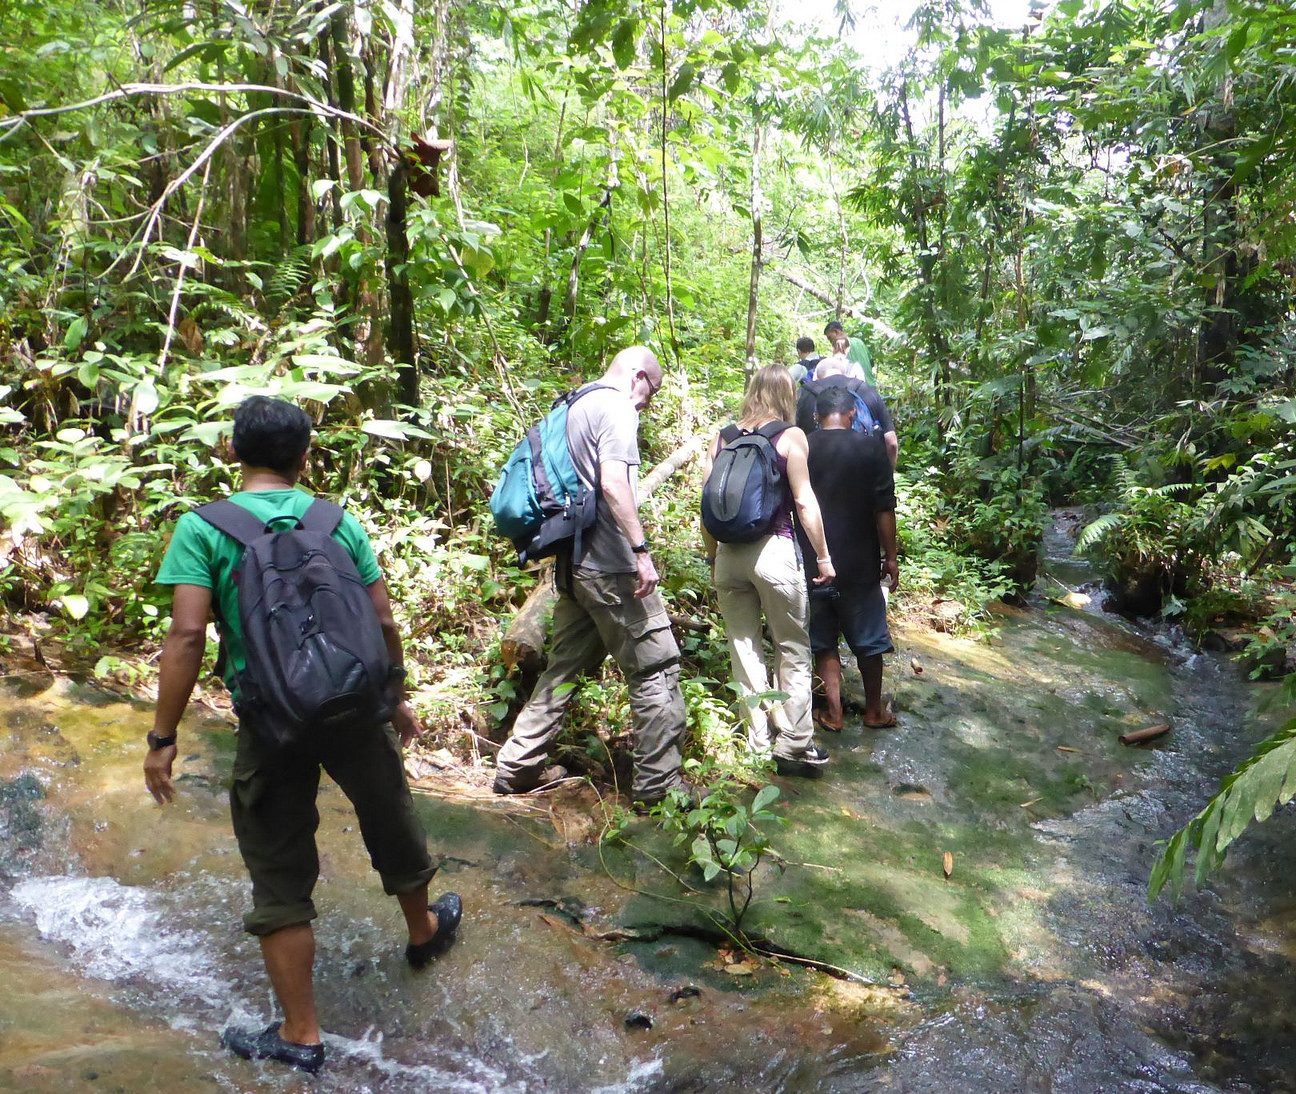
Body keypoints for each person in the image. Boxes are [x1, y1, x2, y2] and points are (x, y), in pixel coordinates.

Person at [146, 395, 460, 1076]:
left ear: (234, 452)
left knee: (279, 861)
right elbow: (379, 617)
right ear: (305, 457)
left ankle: (301, 1031)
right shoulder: (335, 520)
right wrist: (394, 698)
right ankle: (422, 930)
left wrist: (162, 736)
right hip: (352, 705)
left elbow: (188, 635)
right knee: (387, 809)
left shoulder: (204, 529)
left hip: (271, 718)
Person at [493, 346, 691, 808]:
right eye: (652, 391)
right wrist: (641, 552)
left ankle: (517, 766)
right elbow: (613, 484)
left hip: (574, 567)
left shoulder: (573, 403)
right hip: (611, 567)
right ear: (639, 376)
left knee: (563, 667)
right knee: (656, 668)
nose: (649, 402)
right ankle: (659, 788)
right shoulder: (617, 408)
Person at [704, 365, 836, 772]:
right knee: (792, 648)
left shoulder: (724, 436)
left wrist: (713, 556)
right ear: (786, 395)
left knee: (744, 649)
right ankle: (795, 745)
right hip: (775, 552)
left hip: (729, 555)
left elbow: (705, 501)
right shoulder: (790, 436)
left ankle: (757, 740)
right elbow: (803, 502)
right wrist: (824, 556)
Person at [802, 385, 899, 731]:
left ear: (816, 416)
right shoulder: (871, 448)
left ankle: (834, 712)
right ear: (852, 414)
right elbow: (884, 510)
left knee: (824, 635)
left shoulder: (804, 448)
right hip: (860, 559)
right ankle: (874, 711)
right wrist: (891, 557)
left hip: (815, 559)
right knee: (869, 636)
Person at [795, 354, 900, 468]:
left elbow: (792, 442)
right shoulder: (865, 390)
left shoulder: (803, 393)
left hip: (816, 476)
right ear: (845, 373)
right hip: (863, 474)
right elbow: (891, 442)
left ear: (816, 376)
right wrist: (888, 474)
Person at [824, 319, 874, 385]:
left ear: (836, 332)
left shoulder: (841, 347)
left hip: (856, 389)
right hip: (871, 386)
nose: (830, 342)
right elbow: (871, 363)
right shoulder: (859, 342)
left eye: (830, 338)